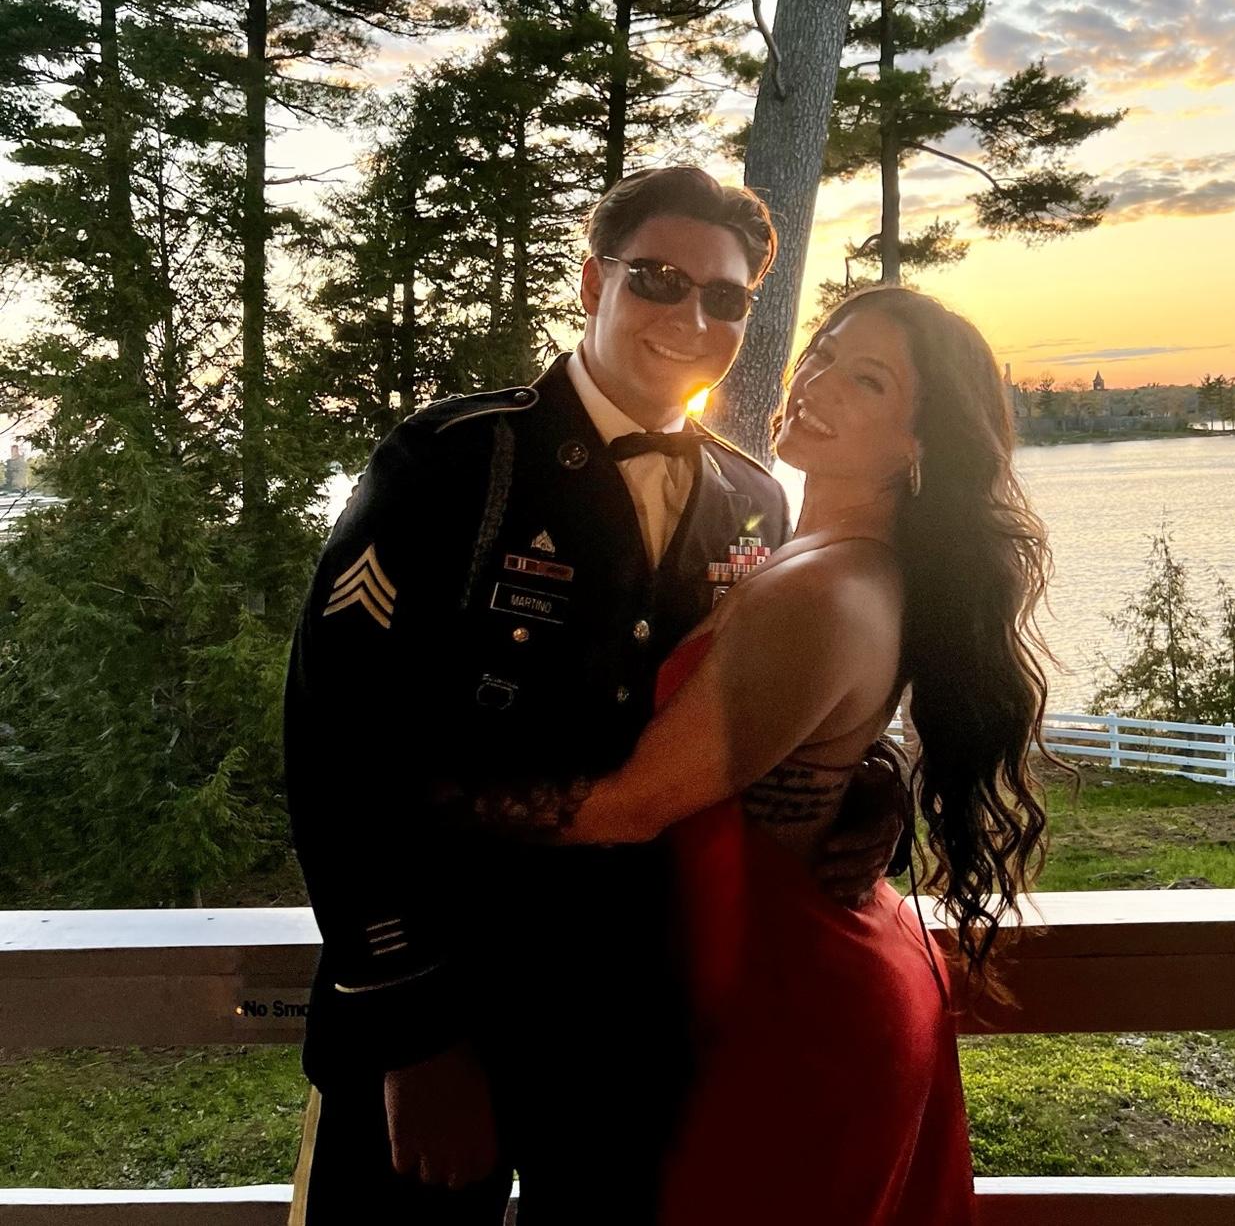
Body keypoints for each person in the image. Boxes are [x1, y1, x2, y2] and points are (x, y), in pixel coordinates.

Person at [283, 168, 908, 1224]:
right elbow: (335, 744)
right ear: (591, 283)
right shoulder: (457, 463)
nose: (691, 316)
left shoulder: (754, 501)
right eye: (658, 279)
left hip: (635, 1032)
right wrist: (416, 1035)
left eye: (725, 297)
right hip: (444, 1005)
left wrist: (872, 781)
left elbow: (775, 694)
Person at [458, 284, 1058, 1225]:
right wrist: (865, 774)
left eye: (868, 381)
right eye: (824, 351)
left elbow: (630, 807)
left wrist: (419, 796)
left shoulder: (821, 588)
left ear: (917, 446)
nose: (817, 381)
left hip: (791, 1001)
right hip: (795, 967)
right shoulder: (804, 547)